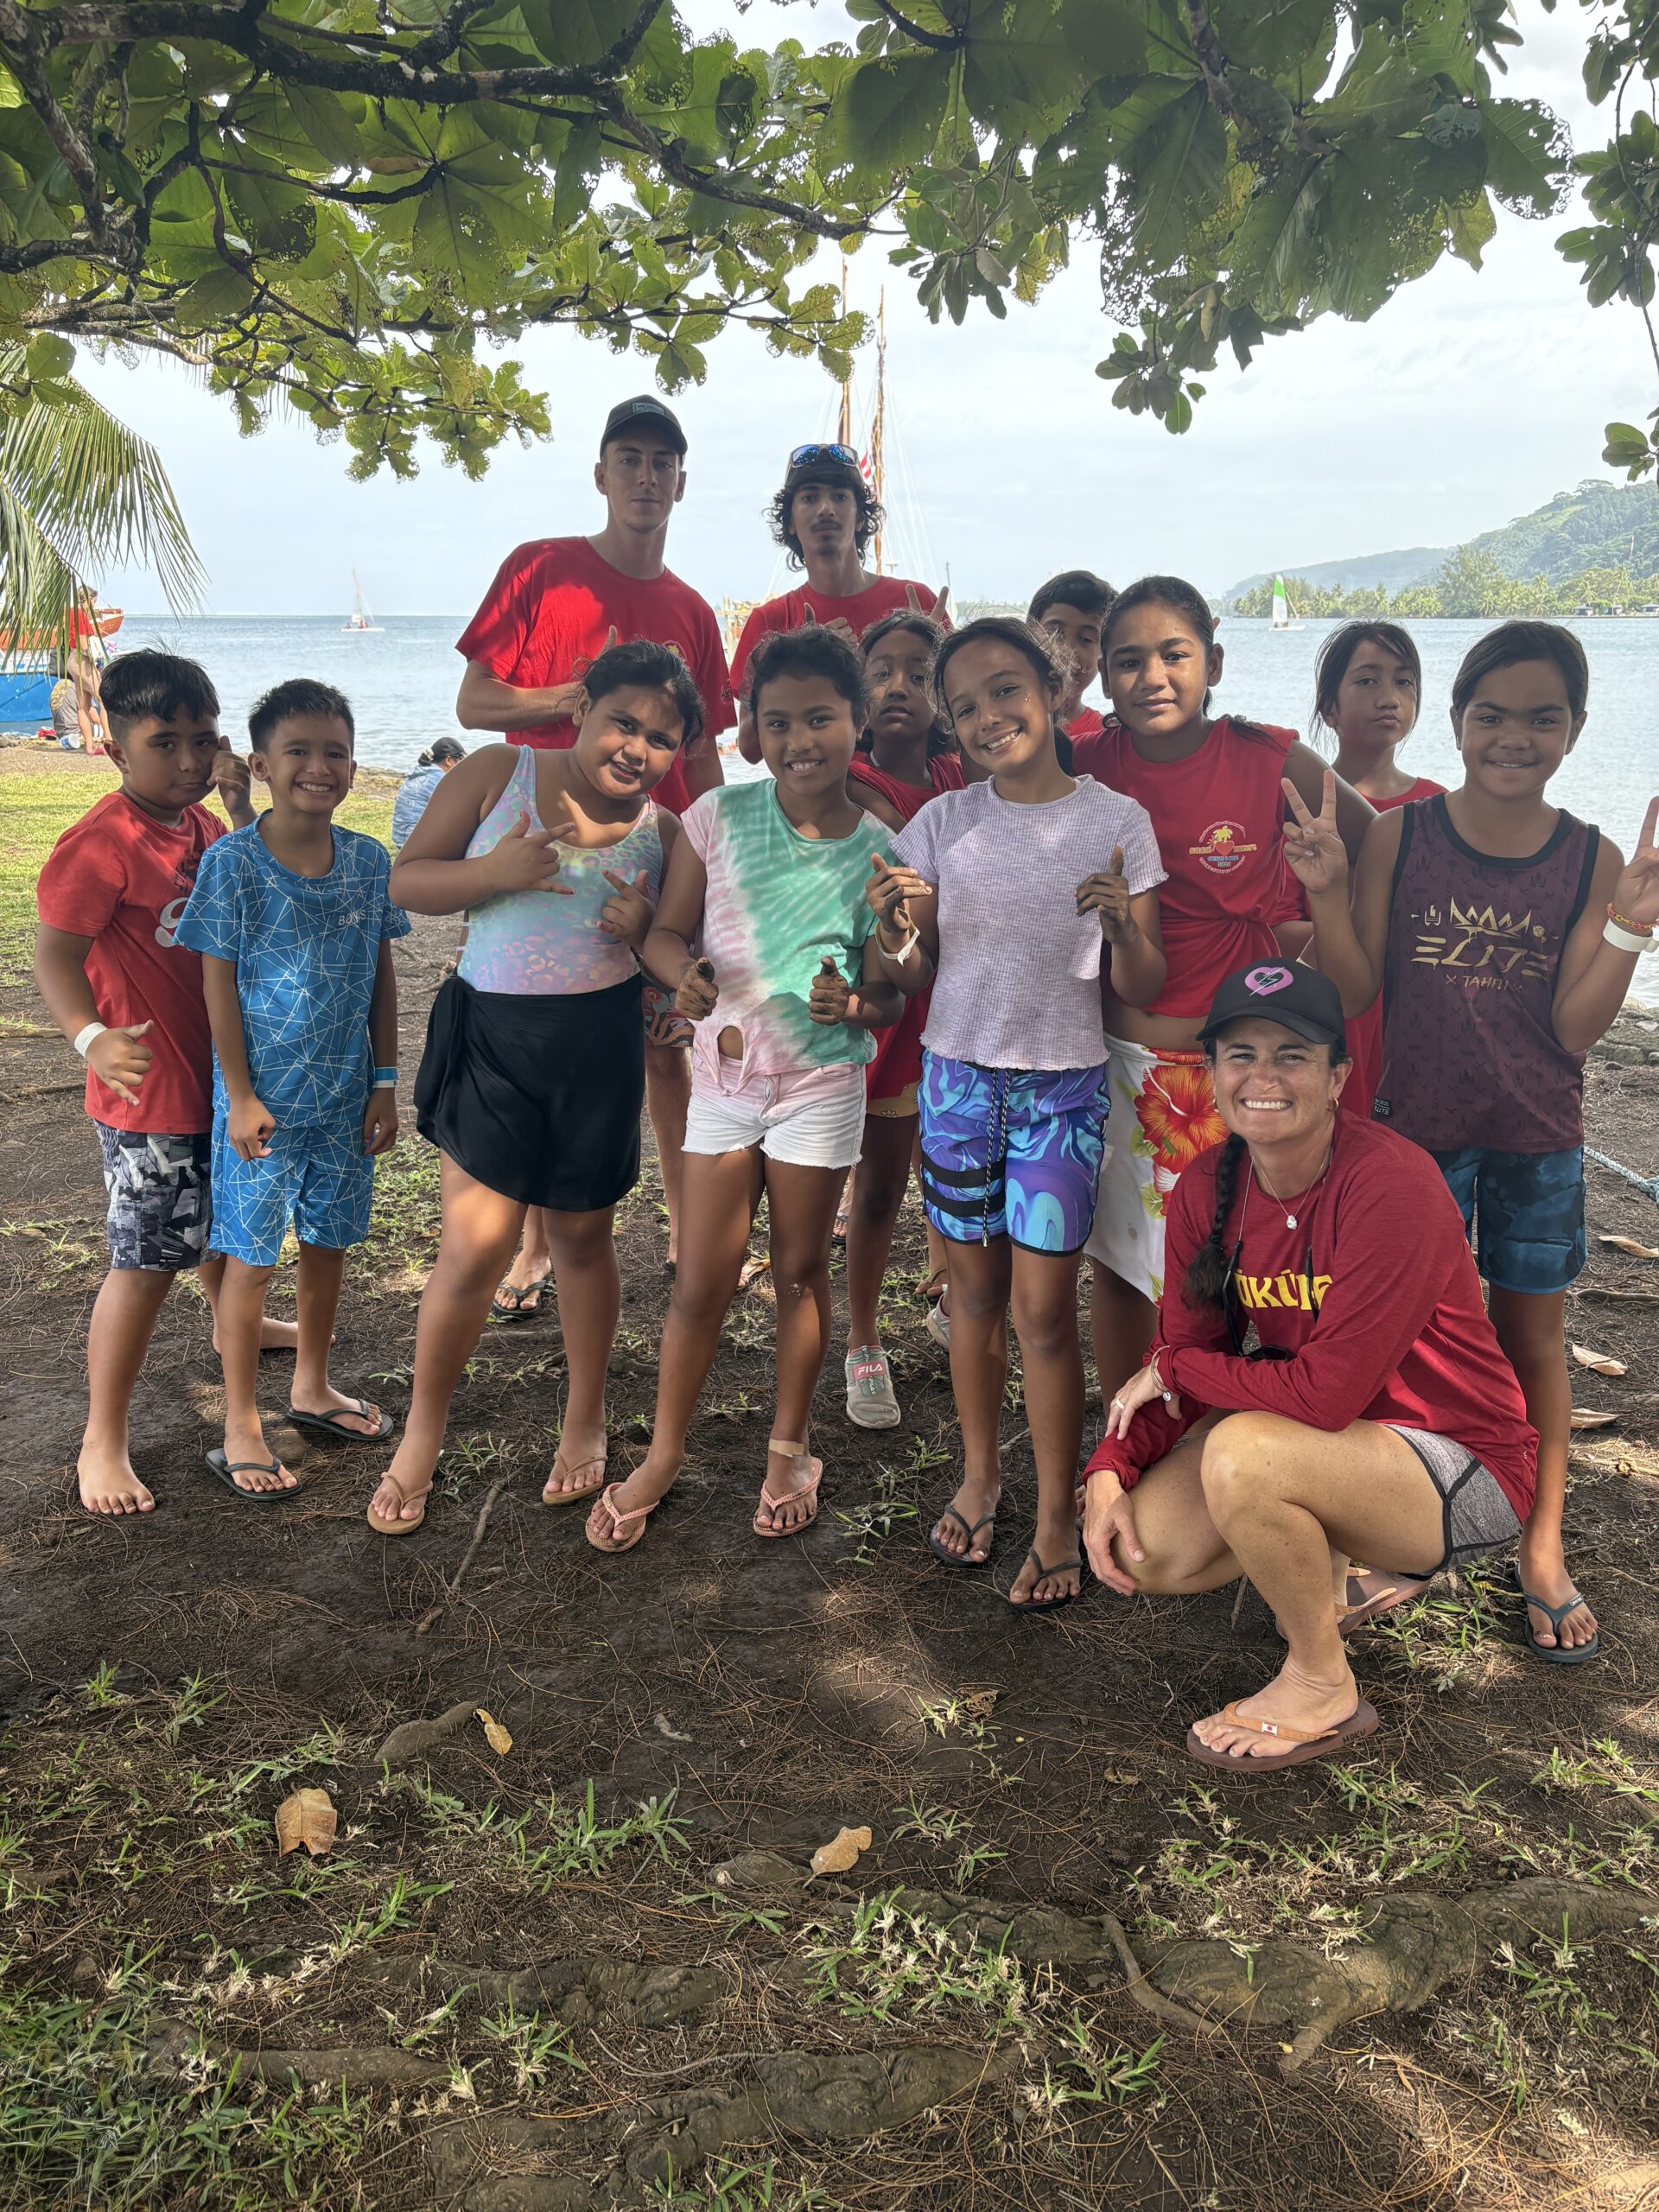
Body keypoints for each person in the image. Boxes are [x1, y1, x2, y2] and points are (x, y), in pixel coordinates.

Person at [1287, 620, 1659, 1666]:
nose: (1514, 737)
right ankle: (1405, 1528)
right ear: (1455, 722)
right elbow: (1356, 988)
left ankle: (1540, 1543)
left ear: (1575, 729)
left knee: (1531, 1338)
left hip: (1538, 1137)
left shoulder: (1589, 858)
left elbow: (1575, 1027)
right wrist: (1326, 892)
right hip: (1415, 1139)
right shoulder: (1403, 838)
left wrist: (1631, 926)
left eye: (1543, 718)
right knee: (1402, 1337)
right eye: (1491, 714)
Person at [1081, 962, 1538, 1770]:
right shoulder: (1206, 1187)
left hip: (1463, 1469)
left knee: (1244, 1453)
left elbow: (1316, 1395)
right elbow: (1185, 1353)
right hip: (1337, 1445)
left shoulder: (1390, 1183)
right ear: (1212, 1072)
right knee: (1148, 1547)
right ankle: (1332, 1581)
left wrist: (1178, 1372)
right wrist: (1109, 1468)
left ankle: (1323, 1683)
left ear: (1337, 1077)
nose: (1262, 1076)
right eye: (1240, 1054)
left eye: (1292, 1055)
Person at [361, 642, 696, 1535]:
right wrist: (492, 874)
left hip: (597, 1051)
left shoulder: (664, 834)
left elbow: (673, 954)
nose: (636, 748)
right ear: (581, 708)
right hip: (493, 1040)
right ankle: (423, 1431)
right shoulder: (495, 773)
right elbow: (407, 880)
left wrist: (644, 933)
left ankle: (585, 1415)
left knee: (584, 1239)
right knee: (475, 1248)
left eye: (662, 738)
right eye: (622, 721)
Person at [585, 626, 905, 1554]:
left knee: (800, 1271)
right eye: (779, 721)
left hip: (820, 1087)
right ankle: (664, 1453)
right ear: (753, 733)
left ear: (856, 723)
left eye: (821, 718)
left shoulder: (879, 850)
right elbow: (668, 934)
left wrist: (858, 1002)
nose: (801, 739)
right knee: (700, 1280)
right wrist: (679, 976)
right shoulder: (717, 817)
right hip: (723, 1086)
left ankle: (788, 1451)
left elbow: (890, 991)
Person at [871, 618, 1166, 1608]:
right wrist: (893, 928)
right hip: (957, 1087)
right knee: (973, 1299)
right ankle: (978, 1476)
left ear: (1053, 687)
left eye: (1006, 689)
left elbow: (1143, 977)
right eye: (966, 706)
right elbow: (908, 972)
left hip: (1063, 1094)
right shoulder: (941, 823)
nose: (989, 715)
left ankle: (1051, 1517)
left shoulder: (1118, 820)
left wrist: (1125, 927)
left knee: (1043, 1313)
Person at [1068, 575, 1373, 1414]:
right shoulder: (1085, 764)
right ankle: (1126, 1434)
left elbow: (1379, 841)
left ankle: (1227, 1434)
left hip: (1233, 1072)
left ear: (1216, 663)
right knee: (1120, 1266)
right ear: (1102, 676)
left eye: (1175, 654)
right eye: (1128, 660)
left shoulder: (1267, 758)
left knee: (1235, 1272)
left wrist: (1327, 921)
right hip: (1113, 1064)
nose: (1152, 677)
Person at [454, 394, 735, 1300]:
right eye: (630, 459)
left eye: (662, 463)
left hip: (651, 858)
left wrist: (715, 860)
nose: (646, 477)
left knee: (667, 1047)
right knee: (549, 1043)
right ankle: (535, 1247)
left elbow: (702, 755)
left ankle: (689, 1233)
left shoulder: (693, 612)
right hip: (541, 856)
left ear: (680, 483)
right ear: (601, 473)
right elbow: (475, 702)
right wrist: (573, 699)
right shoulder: (540, 569)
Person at [32, 651, 274, 1516]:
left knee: (220, 1227)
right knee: (143, 1265)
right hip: (149, 1098)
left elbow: (254, 887)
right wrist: (90, 1037)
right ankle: (102, 1437)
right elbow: (54, 956)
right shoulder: (102, 842)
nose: (188, 761)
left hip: (216, 1087)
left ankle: (233, 1323)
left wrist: (240, 808)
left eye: (203, 740)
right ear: (115, 748)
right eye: (163, 743)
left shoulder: (202, 827)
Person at [175, 680, 408, 1499]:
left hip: (344, 1099)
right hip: (261, 1109)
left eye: (335, 752)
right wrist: (239, 1095)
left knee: (327, 1243)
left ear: (354, 766)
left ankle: (312, 1385)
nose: (319, 766)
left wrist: (385, 1082)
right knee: (249, 1260)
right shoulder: (233, 863)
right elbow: (217, 986)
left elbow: (381, 974)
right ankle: (241, 1420)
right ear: (262, 765)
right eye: (299, 751)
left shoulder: (369, 861)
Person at [840, 610, 963, 1427]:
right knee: (881, 1185)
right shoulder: (857, 785)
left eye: (920, 675)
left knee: (958, 1176)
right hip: (894, 1004)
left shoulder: (960, 774)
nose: (899, 688)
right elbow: (910, 885)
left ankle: (955, 1302)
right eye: (881, 672)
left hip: (960, 1003)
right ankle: (862, 1339)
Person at [729, 442, 945, 762]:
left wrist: (928, 654)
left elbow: (960, 722)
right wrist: (806, 663)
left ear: (860, 518)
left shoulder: (917, 601)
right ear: (790, 522)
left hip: (915, 790)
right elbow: (749, 747)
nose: (826, 509)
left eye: (840, 497)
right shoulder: (770, 622)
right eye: (809, 497)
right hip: (815, 792)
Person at [1308, 621, 1444, 1120]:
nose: (1389, 697)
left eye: (1404, 681)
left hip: (1415, 1015)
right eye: (1367, 680)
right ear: (1330, 707)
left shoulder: (1438, 806)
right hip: (1328, 1011)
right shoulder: (1302, 804)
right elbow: (1274, 928)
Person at [1027, 570, 1115, 753]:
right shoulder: (1001, 724)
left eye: (1086, 639)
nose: (1068, 650)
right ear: (1026, 637)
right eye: (1054, 634)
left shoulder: (1107, 737)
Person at [391, 736, 466, 851]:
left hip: (400, 839)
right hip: (415, 844)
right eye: (461, 759)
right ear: (448, 760)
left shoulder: (418, 772)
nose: (463, 764)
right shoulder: (441, 779)